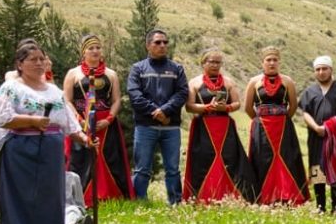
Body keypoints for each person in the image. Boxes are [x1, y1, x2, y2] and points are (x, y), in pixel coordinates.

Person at [0, 42, 90, 224]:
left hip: (51, 149)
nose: (39, 63)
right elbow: (2, 118)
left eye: (42, 59)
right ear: (20, 64)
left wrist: (85, 139)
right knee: (21, 195)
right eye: (33, 60)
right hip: (21, 147)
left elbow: (68, 123)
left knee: (50, 195)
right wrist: (31, 121)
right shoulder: (12, 89)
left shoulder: (54, 91)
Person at [64, 34, 134, 202]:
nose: (95, 51)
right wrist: (79, 120)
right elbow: (66, 100)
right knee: (80, 157)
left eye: (98, 47)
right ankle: (81, 196)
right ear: (83, 52)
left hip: (105, 122)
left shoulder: (111, 74)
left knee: (109, 156)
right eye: (91, 48)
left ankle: (112, 194)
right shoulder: (73, 74)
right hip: (80, 121)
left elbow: (117, 100)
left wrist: (109, 119)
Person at [183, 49, 255, 202]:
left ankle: (235, 196)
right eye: (212, 62)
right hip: (204, 126)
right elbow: (189, 106)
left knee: (230, 159)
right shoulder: (194, 83)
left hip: (225, 125)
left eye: (218, 62)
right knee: (204, 159)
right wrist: (207, 107)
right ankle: (203, 196)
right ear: (203, 63)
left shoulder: (228, 82)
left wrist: (226, 108)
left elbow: (237, 103)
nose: (215, 65)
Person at [126, 29, 188, 204]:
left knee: (173, 169)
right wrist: (157, 113)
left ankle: (175, 203)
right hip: (145, 127)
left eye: (165, 42)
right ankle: (140, 203)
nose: (162, 46)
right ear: (148, 46)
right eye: (158, 42)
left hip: (171, 128)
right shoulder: (138, 69)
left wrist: (166, 111)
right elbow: (135, 95)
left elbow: (182, 93)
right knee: (142, 169)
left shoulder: (177, 69)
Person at [244, 47, 308, 205]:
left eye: (275, 60)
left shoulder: (287, 81)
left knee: (287, 159)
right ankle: (265, 197)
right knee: (262, 159)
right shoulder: (254, 82)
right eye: (268, 60)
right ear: (262, 62)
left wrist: (283, 119)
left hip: (283, 127)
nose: (272, 63)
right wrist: (259, 120)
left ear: (279, 62)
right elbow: (247, 107)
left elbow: (292, 106)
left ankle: (288, 195)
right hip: (262, 127)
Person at [299, 56, 336, 213]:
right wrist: (316, 127)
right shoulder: (309, 91)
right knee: (317, 169)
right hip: (315, 137)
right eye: (318, 69)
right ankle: (320, 206)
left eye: (324, 68)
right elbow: (306, 113)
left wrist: (330, 127)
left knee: (335, 168)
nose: (321, 72)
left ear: (331, 69)